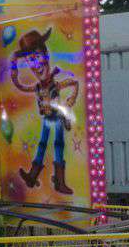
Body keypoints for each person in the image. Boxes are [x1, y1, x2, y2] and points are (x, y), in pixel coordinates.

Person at [11, 29, 79, 194]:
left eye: (37, 56)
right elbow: (19, 85)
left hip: (57, 118)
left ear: (46, 55)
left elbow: (74, 83)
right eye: (30, 60)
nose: (35, 64)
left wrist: (70, 101)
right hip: (47, 119)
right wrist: (14, 66)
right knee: (42, 144)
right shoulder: (37, 87)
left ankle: (60, 181)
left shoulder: (56, 84)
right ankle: (32, 176)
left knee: (58, 144)